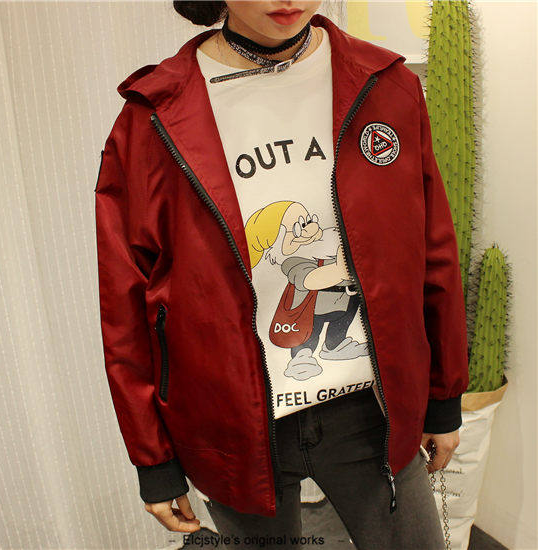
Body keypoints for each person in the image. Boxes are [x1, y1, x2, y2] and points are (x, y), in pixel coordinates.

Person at [94, 1, 469, 548]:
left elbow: (432, 248)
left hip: (372, 408)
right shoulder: (152, 118)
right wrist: (153, 459)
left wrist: (443, 395)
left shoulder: (386, 86)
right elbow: (125, 304)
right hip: (234, 425)